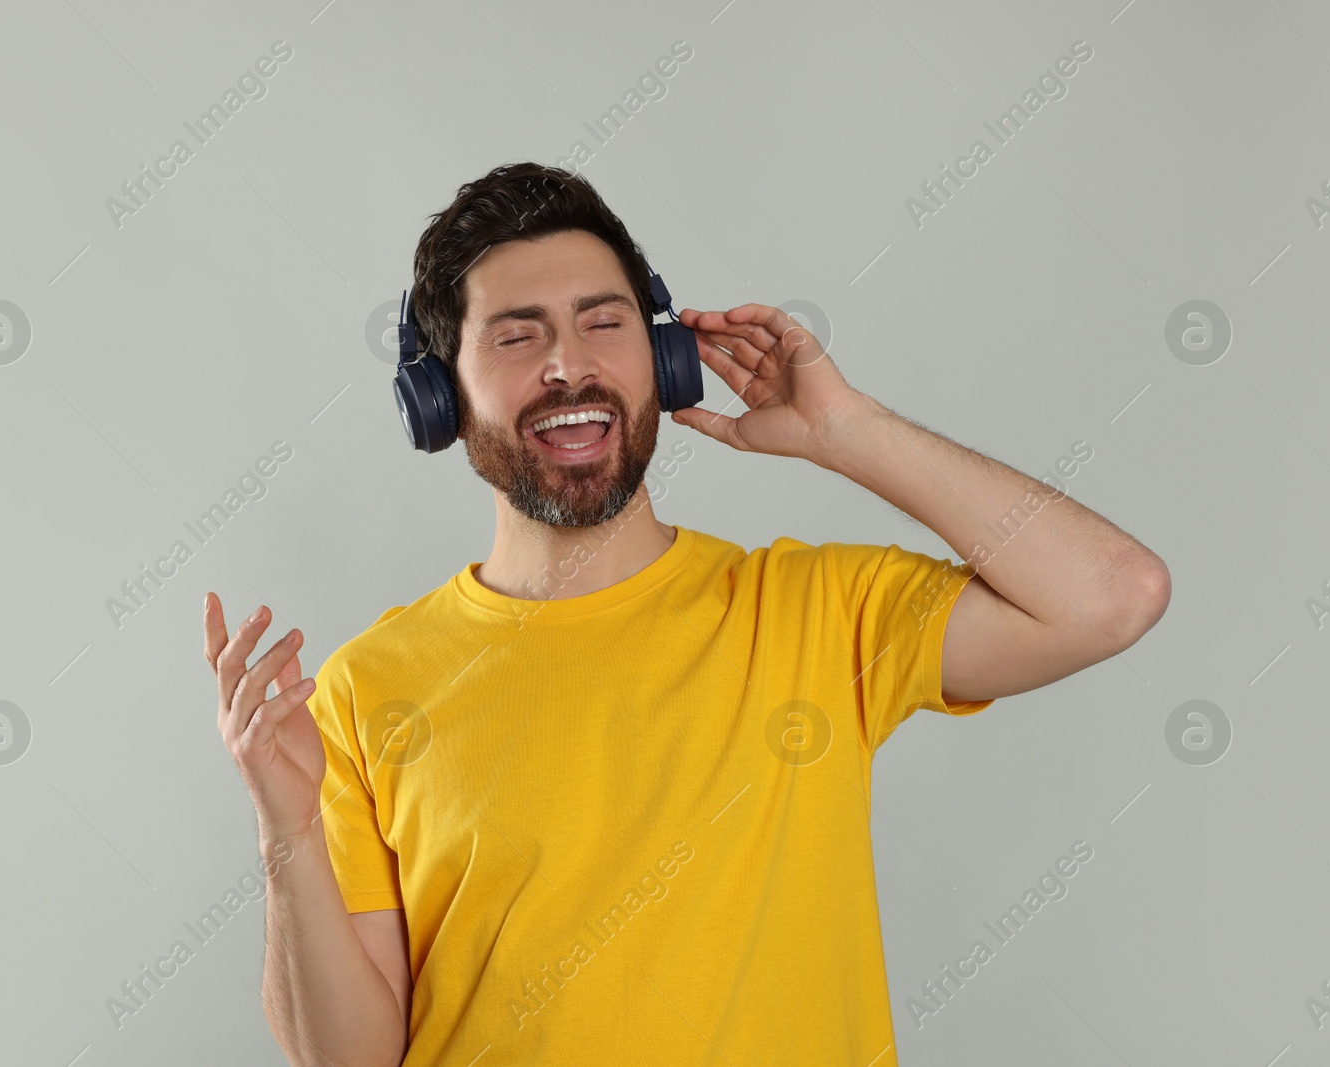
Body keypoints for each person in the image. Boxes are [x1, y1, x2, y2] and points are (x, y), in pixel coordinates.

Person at [203, 162, 1170, 1066]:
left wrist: (848, 432)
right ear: (436, 393)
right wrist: (284, 831)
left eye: (605, 323)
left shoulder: (814, 614)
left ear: (665, 358)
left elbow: (1112, 595)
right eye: (516, 333)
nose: (566, 366)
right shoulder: (369, 687)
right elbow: (349, 1055)